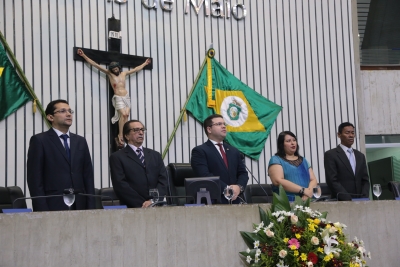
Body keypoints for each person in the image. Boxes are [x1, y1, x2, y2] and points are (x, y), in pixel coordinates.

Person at [27, 99, 95, 211]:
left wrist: (91, 206)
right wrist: (41, 208)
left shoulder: (80, 141)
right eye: (63, 111)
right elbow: (35, 178)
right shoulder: (39, 140)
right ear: (50, 117)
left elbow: (88, 175)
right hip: (53, 204)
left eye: (70, 111)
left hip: (80, 203)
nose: (68, 114)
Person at [77, 49, 151, 147]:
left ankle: (124, 134)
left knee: (126, 115)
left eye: (116, 68)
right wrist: (84, 56)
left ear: (119, 68)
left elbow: (136, 69)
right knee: (123, 114)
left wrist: (145, 63)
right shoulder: (109, 73)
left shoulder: (124, 74)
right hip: (118, 97)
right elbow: (95, 65)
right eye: (113, 69)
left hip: (126, 96)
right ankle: (120, 135)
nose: (115, 70)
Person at [190, 114, 249, 204]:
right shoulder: (200, 151)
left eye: (224, 124)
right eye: (219, 124)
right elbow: (204, 175)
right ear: (209, 129)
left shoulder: (234, 151)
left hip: (236, 201)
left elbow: (243, 173)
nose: (223, 126)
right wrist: (227, 189)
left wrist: (238, 187)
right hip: (214, 201)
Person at [109, 120, 168, 208]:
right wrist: (143, 204)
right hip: (132, 207)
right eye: (136, 130)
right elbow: (120, 185)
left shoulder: (155, 155)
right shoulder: (117, 157)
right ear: (127, 136)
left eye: (142, 130)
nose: (141, 133)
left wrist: (153, 201)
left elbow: (163, 180)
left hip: (156, 206)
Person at [324, 122, 370, 201]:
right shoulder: (331, 155)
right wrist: (347, 198)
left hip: (361, 200)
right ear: (339, 135)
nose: (351, 135)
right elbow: (332, 180)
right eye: (347, 133)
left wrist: (364, 196)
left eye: (352, 133)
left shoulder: (360, 156)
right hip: (341, 201)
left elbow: (365, 179)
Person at [268, 131, 317, 201]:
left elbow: (313, 179)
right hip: (286, 202)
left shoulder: (304, 160)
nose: (292, 143)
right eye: (288, 141)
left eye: (294, 140)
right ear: (282, 144)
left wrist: (308, 193)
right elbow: (278, 181)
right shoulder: (276, 159)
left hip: (307, 199)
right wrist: (303, 190)